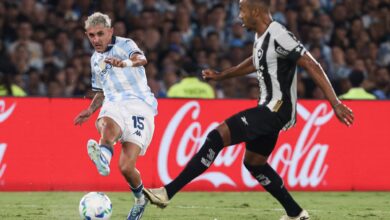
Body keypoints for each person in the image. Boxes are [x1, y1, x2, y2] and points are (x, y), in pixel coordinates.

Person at [143, 1, 354, 220]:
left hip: (276, 109)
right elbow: (256, 61)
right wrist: (223, 75)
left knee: (216, 137)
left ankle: (167, 192)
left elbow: (312, 65)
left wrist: (335, 103)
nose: (239, 16)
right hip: (268, 108)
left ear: (256, 11)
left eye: (242, 10)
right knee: (254, 163)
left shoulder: (279, 34)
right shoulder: (262, 37)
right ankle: (295, 213)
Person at [73, 12, 157, 220]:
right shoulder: (95, 60)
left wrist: (125, 64)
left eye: (100, 34)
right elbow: (101, 91)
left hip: (140, 106)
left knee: (126, 167)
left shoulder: (125, 44)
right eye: (91, 35)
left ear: (110, 31)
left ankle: (140, 200)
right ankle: (103, 157)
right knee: (105, 122)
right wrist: (90, 110)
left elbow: (142, 59)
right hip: (114, 103)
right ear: (87, 35)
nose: (96, 40)